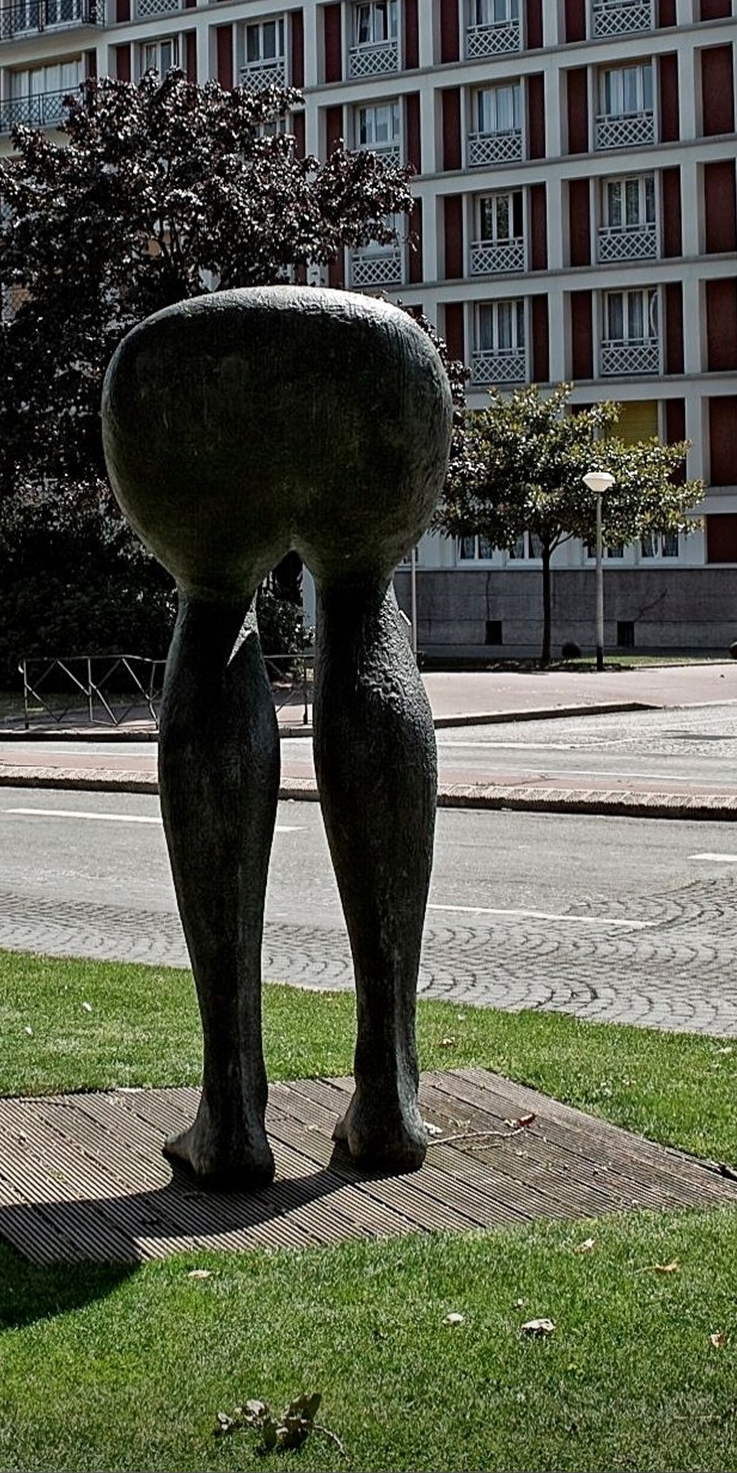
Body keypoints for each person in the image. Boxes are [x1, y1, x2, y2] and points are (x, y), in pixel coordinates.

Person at [101, 284, 452, 1190]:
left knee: (213, 605)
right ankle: (388, 1090)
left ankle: (230, 1106)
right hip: (385, 365)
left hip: (171, 376)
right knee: (366, 605)